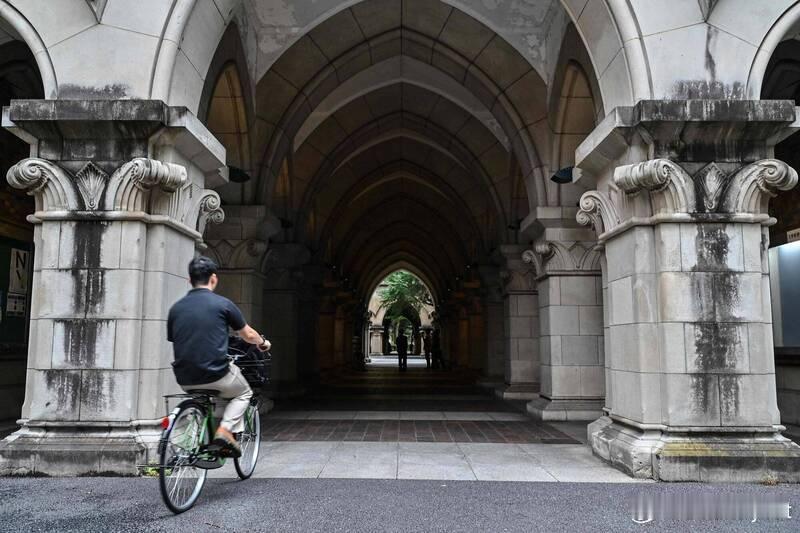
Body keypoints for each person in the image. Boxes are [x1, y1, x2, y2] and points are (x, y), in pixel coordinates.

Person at [167, 256, 270, 457]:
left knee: (211, 395)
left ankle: (204, 436)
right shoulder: (222, 304)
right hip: (216, 371)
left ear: (190, 280)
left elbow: (175, 338)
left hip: (184, 377)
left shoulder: (176, 308)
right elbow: (248, 335)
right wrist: (263, 343)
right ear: (213, 279)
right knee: (243, 393)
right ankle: (224, 431)